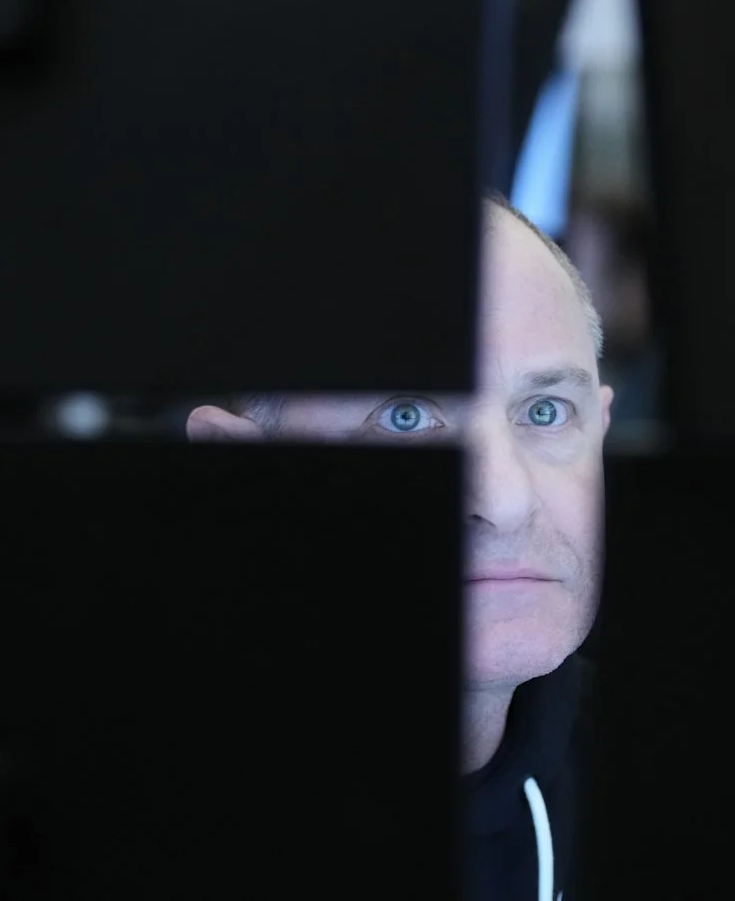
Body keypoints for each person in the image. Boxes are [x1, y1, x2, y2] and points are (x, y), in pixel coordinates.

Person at [186, 192, 612, 901]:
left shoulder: (699, 781)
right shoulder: (92, 816)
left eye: (545, 412)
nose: (503, 501)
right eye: (406, 416)